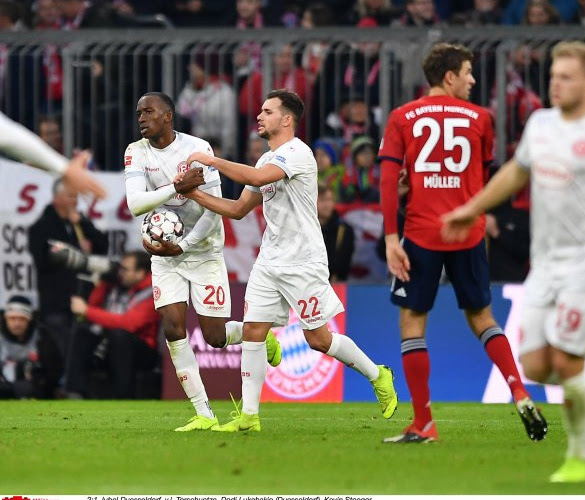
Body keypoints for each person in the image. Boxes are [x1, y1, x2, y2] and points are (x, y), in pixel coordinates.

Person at [442, 41, 585, 482]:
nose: (555, 84)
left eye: (565, 77)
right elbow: (516, 172)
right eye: (552, 76)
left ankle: (580, 457)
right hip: (544, 263)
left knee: (565, 360)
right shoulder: (541, 124)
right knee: (539, 367)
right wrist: (473, 208)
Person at [180, 88, 397, 433]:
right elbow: (238, 210)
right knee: (252, 331)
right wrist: (194, 194)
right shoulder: (265, 160)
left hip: (303, 260)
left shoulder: (298, 154)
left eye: (267, 112)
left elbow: (256, 179)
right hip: (270, 259)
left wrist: (213, 161)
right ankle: (249, 417)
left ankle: (377, 374)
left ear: (286, 119)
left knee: (318, 339)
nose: (259, 117)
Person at [378, 42, 546, 444]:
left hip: (420, 234)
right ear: (449, 76)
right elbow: (479, 179)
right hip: (468, 234)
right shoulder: (482, 119)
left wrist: (390, 237)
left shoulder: (402, 117)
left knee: (412, 323)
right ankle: (520, 392)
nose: (472, 80)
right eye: (468, 73)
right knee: (483, 318)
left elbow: (388, 181)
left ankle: (424, 422)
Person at [124, 91, 281, 431]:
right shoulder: (135, 152)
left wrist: (186, 246)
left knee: (214, 336)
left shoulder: (198, 150)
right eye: (139, 112)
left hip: (204, 250)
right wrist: (177, 188)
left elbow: (215, 209)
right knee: (172, 326)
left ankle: (259, 335)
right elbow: (136, 204)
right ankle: (203, 413)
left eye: (148, 111)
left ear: (168, 116)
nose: (141, 118)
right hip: (164, 253)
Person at [28, 178, 109, 393]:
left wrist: (83, 223)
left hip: (84, 299)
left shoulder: (79, 224)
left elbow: (103, 246)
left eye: (76, 196)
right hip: (56, 301)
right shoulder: (41, 227)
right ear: (57, 199)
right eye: (70, 196)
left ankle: (78, 387)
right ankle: (69, 388)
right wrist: (70, 255)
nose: (75, 201)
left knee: (82, 345)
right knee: (64, 346)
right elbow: (43, 262)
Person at [65, 251, 161, 399]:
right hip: (110, 344)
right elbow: (94, 308)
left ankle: (122, 397)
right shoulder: (114, 285)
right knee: (83, 333)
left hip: (142, 350)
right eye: (120, 268)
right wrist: (103, 281)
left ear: (140, 273)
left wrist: (86, 310)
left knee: (119, 336)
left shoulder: (153, 292)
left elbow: (128, 324)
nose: (120, 273)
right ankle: (75, 392)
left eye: (125, 270)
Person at [0, 110, 105, 198]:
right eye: (47, 134)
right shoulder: (28, 160)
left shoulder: (76, 156)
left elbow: (95, 176)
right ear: (39, 137)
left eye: (54, 133)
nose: (52, 138)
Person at [0, 295, 46, 398]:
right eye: (12, 318)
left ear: (29, 320)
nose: (17, 323)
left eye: (22, 319)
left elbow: (52, 372)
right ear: (5, 319)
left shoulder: (41, 338)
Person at [318, 183, 355, 282]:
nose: (327, 205)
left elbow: (344, 263)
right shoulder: (304, 228)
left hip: (335, 285)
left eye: (329, 200)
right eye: (322, 200)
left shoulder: (344, 230)